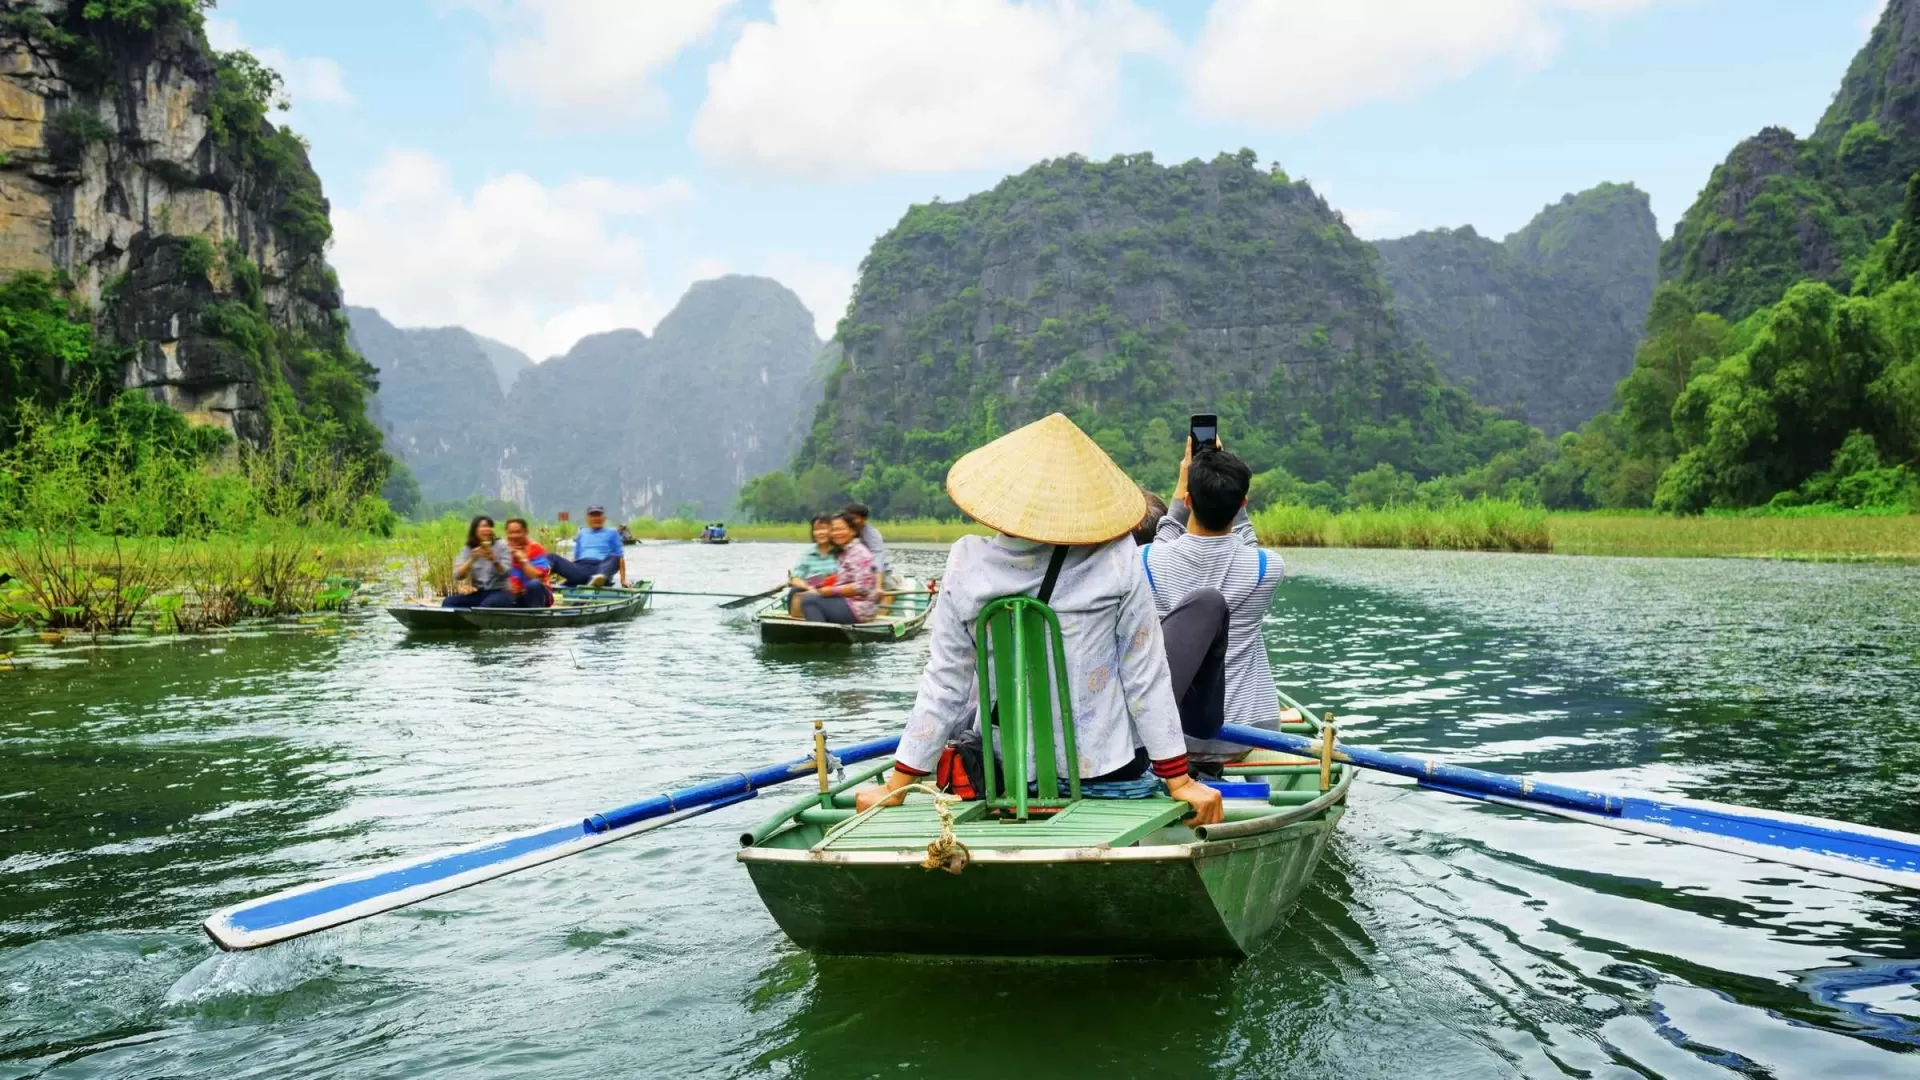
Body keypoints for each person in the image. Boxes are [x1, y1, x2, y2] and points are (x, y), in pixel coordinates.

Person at [854, 413, 1223, 827]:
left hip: (1004, 773)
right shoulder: (1119, 558)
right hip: (1108, 773)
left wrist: (896, 785)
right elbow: (1145, 675)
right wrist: (1179, 780)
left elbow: (945, 682)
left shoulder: (967, 563)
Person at [1143, 434, 1284, 769]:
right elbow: (1247, 544)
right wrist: (1228, 489)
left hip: (1173, 738)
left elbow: (1166, 535)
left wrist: (1183, 484)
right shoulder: (1268, 568)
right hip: (1243, 735)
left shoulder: (1147, 560)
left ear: (1189, 500)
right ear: (1243, 505)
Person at [797, 513, 877, 624]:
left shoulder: (859, 552)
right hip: (844, 600)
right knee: (796, 591)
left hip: (859, 608)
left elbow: (863, 586)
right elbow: (835, 577)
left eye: (841, 529)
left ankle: (819, 634)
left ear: (853, 531)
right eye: (834, 530)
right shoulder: (844, 552)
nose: (837, 534)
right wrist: (806, 583)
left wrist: (830, 591)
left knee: (809, 600)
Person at [442, 516, 517, 608]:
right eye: (483, 526)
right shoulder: (468, 549)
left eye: (489, 526)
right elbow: (457, 575)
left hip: (501, 591)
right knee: (448, 602)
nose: (487, 530)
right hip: (479, 592)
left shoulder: (502, 545)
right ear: (475, 530)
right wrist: (472, 559)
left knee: (486, 606)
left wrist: (494, 560)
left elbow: (507, 572)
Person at [548, 505, 626, 587]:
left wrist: (623, 580)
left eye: (598, 515)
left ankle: (598, 579)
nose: (596, 518)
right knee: (551, 557)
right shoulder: (582, 533)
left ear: (604, 518)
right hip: (581, 569)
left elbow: (620, 558)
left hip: (601, 567)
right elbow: (576, 560)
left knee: (615, 557)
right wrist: (568, 577)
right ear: (587, 519)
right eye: (593, 515)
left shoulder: (612, 532)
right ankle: (542, 578)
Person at [787, 513, 841, 617]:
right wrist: (809, 587)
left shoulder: (841, 551)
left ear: (832, 530)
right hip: (813, 585)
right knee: (794, 591)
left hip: (837, 589)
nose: (820, 533)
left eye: (824, 529)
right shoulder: (808, 555)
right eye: (816, 529)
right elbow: (795, 578)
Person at [502, 517, 553, 608]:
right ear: (506, 533)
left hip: (537, 594)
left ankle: (537, 615)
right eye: (511, 533)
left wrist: (522, 560)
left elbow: (538, 577)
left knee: (534, 585)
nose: (514, 536)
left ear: (525, 532)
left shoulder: (536, 548)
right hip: (511, 595)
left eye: (518, 532)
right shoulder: (502, 549)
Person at [842, 502, 887, 577]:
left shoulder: (872, 536)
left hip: (868, 571)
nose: (850, 521)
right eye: (848, 518)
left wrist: (877, 583)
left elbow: (878, 559)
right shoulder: (840, 531)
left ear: (864, 519)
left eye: (854, 518)